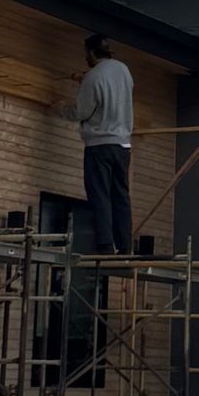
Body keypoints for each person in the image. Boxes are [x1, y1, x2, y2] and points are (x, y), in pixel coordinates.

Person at [74, 34, 135, 256]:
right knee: (120, 195)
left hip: (99, 144)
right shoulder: (124, 71)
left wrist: (60, 108)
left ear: (91, 53)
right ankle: (125, 245)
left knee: (99, 194)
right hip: (123, 144)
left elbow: (82, 111)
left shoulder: (92, 77)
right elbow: (112, 93)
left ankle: (105, 245)